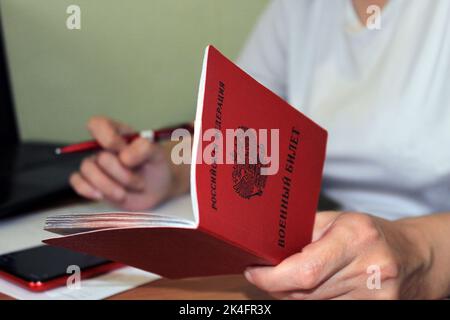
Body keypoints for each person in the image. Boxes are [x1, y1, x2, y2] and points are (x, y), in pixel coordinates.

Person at [70, 0, 450, 299]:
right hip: (317, 252)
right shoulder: (299, 9)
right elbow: (247, 130)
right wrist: (175, 169)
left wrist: (420, 253)